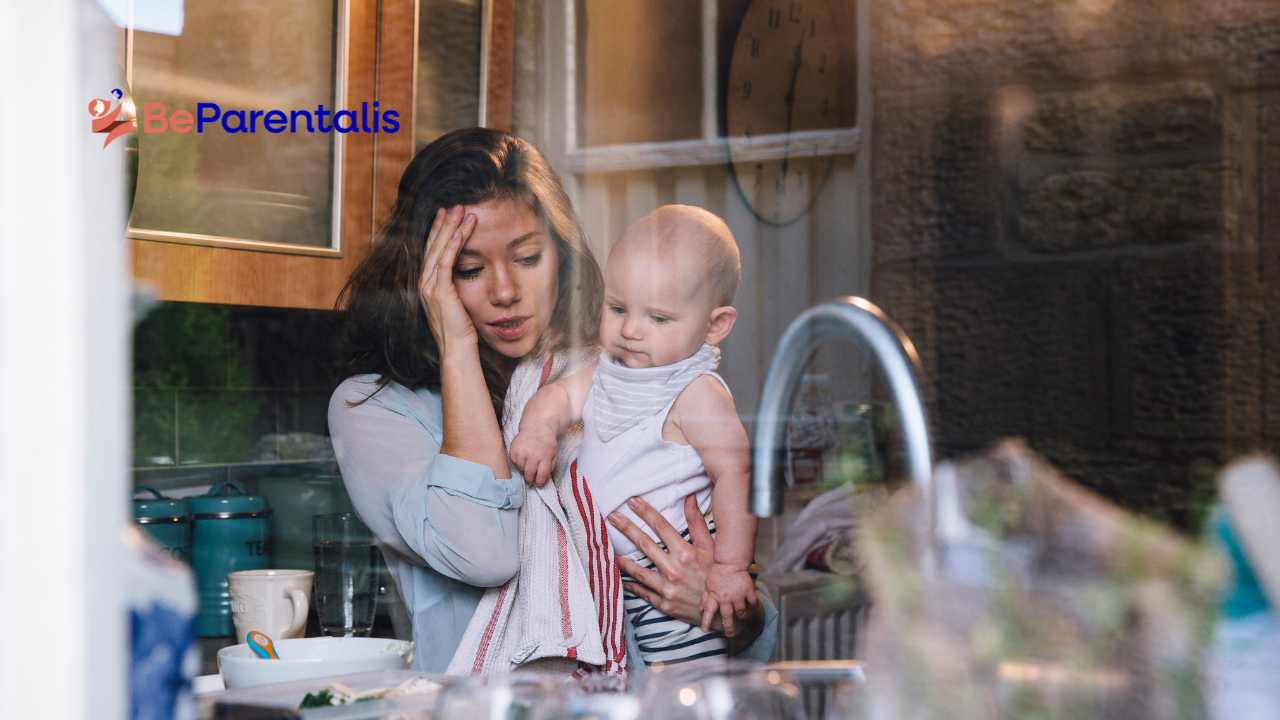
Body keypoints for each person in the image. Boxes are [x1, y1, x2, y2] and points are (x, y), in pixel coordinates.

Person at [327, 128, 775, 676]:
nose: (505, 291)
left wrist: (727, 606)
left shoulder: (616, 375)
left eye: (528, 257)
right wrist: (457, 346)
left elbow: (748, 617)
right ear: (425, 278)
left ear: (560, 258)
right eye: (468, 270)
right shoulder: (375, 409)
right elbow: (484, 551)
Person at [510, 205, 756, 667]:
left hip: (674, 574)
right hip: (615, 580)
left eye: (659, 318)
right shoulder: (608, 372)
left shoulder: (695, 391)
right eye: (618, 308)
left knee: (685, 688)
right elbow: (559, 398)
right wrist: (539, 429)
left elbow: (737, 474)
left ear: (714, 326)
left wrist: (729, 568)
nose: (629, 330)